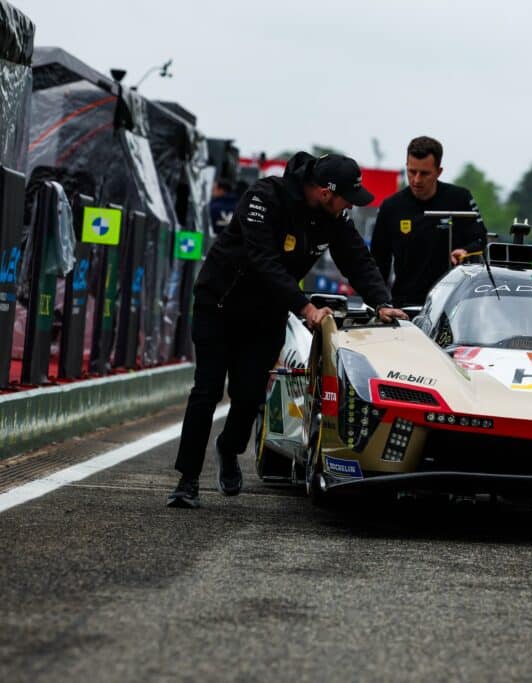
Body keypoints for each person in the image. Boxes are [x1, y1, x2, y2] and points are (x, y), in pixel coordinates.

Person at [167, 152, 408, 509]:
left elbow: (357, 259)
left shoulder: (334, 216)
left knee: (248, 394)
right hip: (219, 303)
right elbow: (263, 260)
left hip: (266, 313)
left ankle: (229, 448)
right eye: (346, 198)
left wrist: (382, 302)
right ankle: (187, 481)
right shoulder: (265, 198)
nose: (349, 206)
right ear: (326, 191)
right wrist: (305, 306)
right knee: (207, 389)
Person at [371, 136, 487, 307]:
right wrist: (379, 304)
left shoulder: (460, 198)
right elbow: (378, 262)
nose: (417, 180)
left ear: (439, 172)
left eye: (424, 173)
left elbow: (481, 239)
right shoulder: (391, 207)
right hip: (405, 306)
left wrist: (465, 251)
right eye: (412, 172)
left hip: (451, 304)